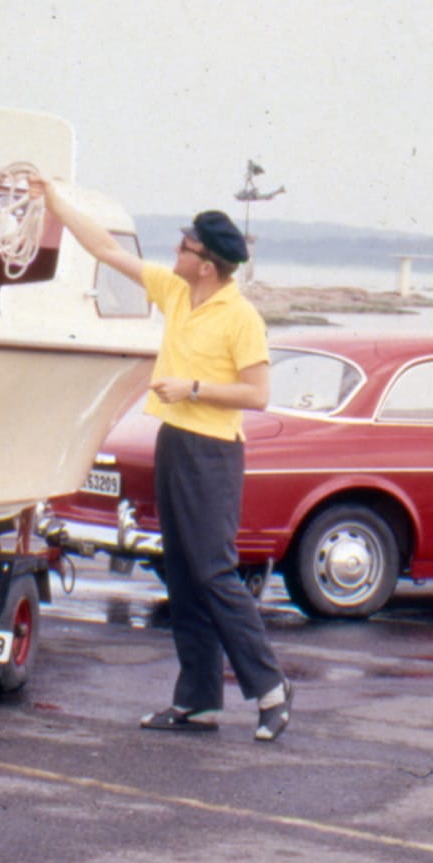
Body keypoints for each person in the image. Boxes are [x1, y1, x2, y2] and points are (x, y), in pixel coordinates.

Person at [41, 181, 293, 741]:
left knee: (213, 572)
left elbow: (257, 394)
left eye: (185, 246)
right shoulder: (177, 291)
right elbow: (106, 249)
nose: (175, 251)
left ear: (206, 264)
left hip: (213, 451)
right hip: (175, 441)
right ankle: (197, 702)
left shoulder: (241, 317)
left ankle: (272, 689)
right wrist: (55, 203)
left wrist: (194, 388)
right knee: (181, 572)